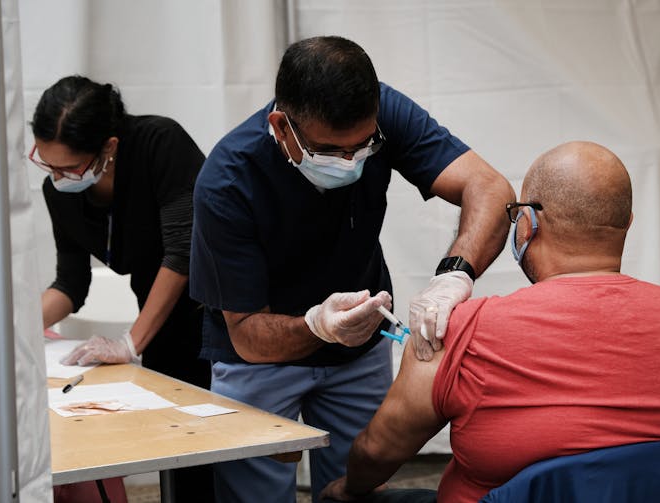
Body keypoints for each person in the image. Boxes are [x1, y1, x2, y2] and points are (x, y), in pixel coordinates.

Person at [189, 36, 514, 503]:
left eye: (363, 147)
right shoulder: (226, 181)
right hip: (257, 359)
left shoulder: (383, 112)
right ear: (281, 127)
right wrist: (319, 325)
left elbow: (489, 186)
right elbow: (246, 334)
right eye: (331, 151)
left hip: (358, 353)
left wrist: (454, 275)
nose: (351, 163)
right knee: (252, 494)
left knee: (360, 490)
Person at [320, 141, 660, 503]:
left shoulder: (462, 328)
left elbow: (377, 452)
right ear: (627, 222)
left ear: (527, 224)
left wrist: (351, 488)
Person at [30, 75, 214, 502]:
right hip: (162, 319)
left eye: (68, 167)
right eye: (46, 164)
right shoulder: (59, 192)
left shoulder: (159, 144)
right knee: (180, 456)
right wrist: (12, 331)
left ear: (108, 148)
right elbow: (70, 284)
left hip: (215, 313)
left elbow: (182, 253)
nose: (57, 177)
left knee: (220, 454)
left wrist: (129, 343)